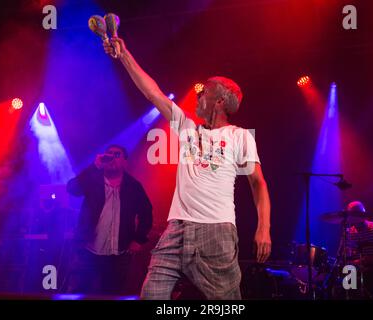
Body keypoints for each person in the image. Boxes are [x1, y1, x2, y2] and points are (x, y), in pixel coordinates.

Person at [103, 36, 272, 300]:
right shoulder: (187, 128)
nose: (198, 94)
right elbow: (152, 92)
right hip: (176, 230)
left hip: (216, 231)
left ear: (220, 101)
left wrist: (264, 228)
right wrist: (124, 55)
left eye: (204, 92)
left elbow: (258, 184)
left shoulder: (240, 136)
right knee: (151, 294)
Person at [65, 144, 153, 295]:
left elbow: (147, 213)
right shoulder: (92, 180)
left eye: (117, 155)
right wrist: (94, 167)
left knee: (113, 292)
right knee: (84, 291)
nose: (112, 158)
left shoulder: (133, 186)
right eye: (109, 154)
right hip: (89, 250)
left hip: (119, 253)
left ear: (125, 161)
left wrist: (138, 239)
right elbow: (72, 189)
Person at [343, 201, 373, 299]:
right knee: (346, 273)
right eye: (350, 214)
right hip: (355, 268)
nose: (351, 217)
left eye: (354, 214)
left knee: (371, 277)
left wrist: (363, 261)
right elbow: (348, 254)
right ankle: (350, 296)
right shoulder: (349, 232)